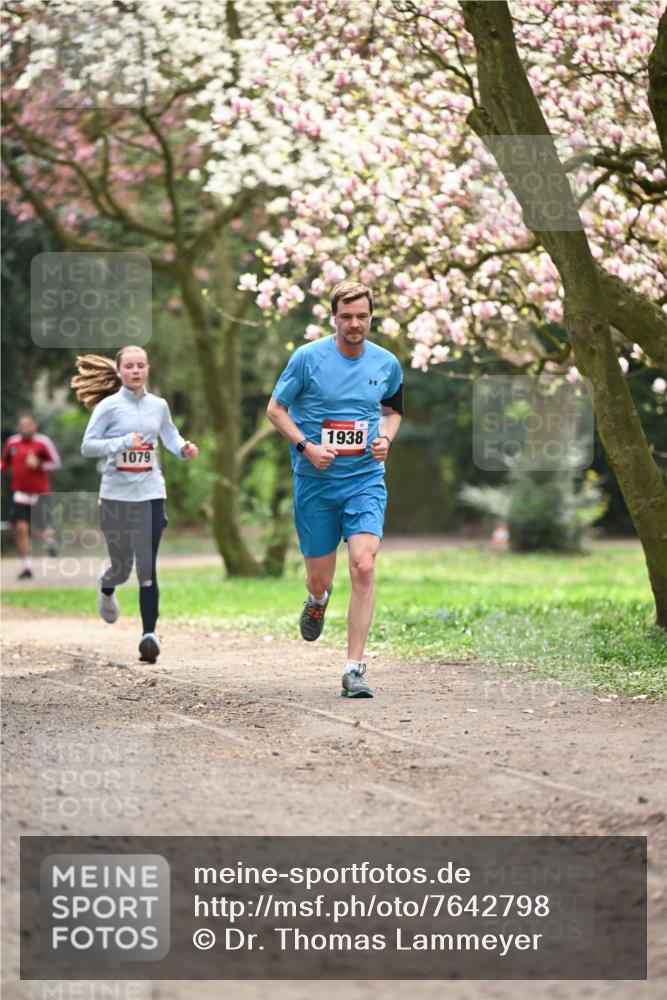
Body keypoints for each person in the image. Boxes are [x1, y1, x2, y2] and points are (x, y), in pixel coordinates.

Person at [267, 280, 403, 698]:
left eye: (362, 316)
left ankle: (353, 669)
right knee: (318, 577)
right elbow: (275, 409)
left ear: (371, 317)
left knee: (363, 565)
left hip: (364, 480)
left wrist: (385, 438)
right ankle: (317, 600)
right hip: (316, 485)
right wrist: (306, 447)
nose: (354, 323)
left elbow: (393, 411)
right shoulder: (307, 359)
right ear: (333, 318)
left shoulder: (387, 363)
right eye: (346, 316)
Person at [74, 346, 199, 663]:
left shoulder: (158, 405)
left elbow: (170, 438)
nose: (135, 370)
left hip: (151, 493)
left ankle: (149, 636)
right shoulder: (108, 407)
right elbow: (88, 446)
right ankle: (107, 585)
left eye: (140, 365)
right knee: (121, 565)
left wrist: (184, 449)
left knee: (147, 567)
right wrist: (122, 443)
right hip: (116, 495)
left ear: (147, 369)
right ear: (119, 371)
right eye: (129, 366)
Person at [1, 411, 61, 579]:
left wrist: (39, 465)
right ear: (18, 427)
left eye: (28, 425)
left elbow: (56, 464)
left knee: (41, 528)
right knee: (20, 529)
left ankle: (49, 542)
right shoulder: (12, 443)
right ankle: (27, 567)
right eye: (22, 425)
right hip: (20, 494)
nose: (25, 428)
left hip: (40, 494)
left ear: (35, 425)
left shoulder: (43, 443)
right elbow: (5, 463)